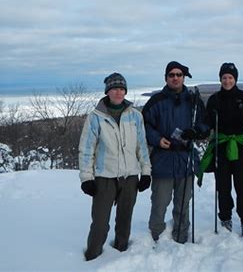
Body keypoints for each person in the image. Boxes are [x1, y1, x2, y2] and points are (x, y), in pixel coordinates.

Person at [78, 72, 151, 261]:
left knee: (124, 220)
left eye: (121, 89)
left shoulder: (135, 115)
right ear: (107, 91)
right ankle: (92, 257)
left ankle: (120, 256)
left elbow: (141, 146)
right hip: (105, 177)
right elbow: (86, 150)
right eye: (114, 88)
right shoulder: (96, 117)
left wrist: (146, 172)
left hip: (130, 177)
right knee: (100, 223)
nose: (118, 92)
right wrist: (87, 178)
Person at [142, 61, 209, 244]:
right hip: (162, 159)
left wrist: (196, 131)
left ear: (183, 77)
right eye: (171, 75)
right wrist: (156, 139)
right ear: (166, 78)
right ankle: (155, 236)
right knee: (159, 203)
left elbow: (205, 124)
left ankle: (181, 236)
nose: (175, 78)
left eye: (179, 74)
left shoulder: (193, 101)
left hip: (186, 158)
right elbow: (144, 125)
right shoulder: (156, 101)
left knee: (183, 203)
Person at [198, 62, 243, 237]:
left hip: (240, 146)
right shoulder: (214, 99)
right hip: (221, 146)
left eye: (230, 77)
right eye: (224, 77)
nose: (227, 81)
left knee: (242, 185)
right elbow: (207, 123)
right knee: (223, 185)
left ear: (235, 79)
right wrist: (199, 130)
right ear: (220, 79)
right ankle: (225, 218)